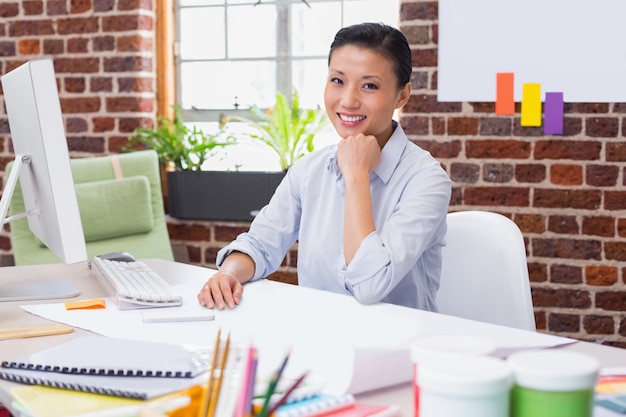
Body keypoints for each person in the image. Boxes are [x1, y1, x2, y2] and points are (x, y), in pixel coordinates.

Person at [198, 22, 451, 311]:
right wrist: (228, 273)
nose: (348, 101)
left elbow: (370, 285)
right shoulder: (309, 170)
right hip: (317, 337)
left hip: (397, 347)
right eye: (337, 81)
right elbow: (260, 244)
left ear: (402, 95)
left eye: (370, 85)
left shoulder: (426, 180)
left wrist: (356, 174)